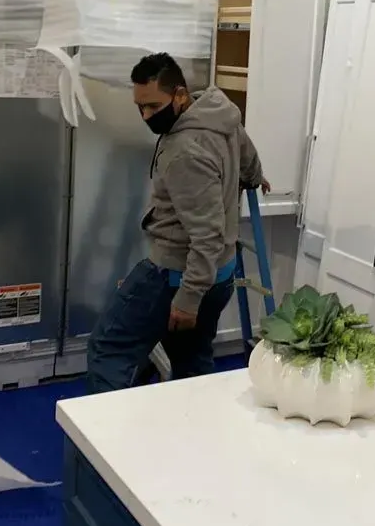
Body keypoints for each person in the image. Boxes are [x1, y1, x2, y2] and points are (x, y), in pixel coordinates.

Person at [86, 52, 268, 393]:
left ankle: (100, 444)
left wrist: (187, 299)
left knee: (108, 350)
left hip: (176, 274)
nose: (146, 116)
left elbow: (207, 235)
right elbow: (246, 151)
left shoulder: (186, 152)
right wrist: (255, 176)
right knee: (191, 362)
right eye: (140, 107)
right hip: (222, 275)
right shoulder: (219, 114)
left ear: (180, 95)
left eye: (154, 107)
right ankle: (187, 439)